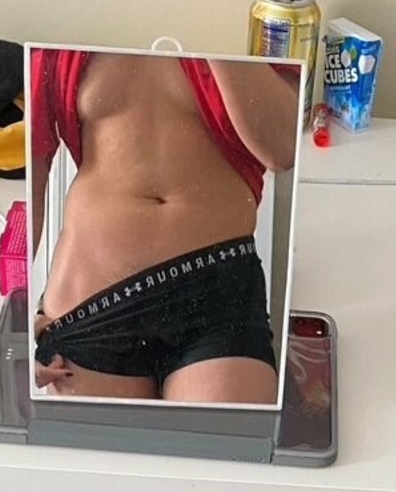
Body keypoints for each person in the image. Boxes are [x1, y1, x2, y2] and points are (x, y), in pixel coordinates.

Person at [30, 50, 300, 404]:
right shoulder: (71, 25)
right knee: (96, 446)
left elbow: (282, 149)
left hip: (217, 293)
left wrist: (215, 36)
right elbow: (30, 181)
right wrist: (15, 321)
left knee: (225, 441)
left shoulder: (256, 24)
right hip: (92, 298)